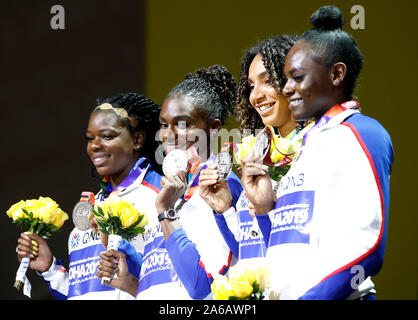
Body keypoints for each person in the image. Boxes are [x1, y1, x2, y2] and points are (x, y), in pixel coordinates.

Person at [240, 6, 394, 299]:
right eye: (285, 79)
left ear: (336, 74)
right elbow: (288, 251)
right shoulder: (309, 145)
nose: (287, 89)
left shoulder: (362, 132)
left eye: (297, 77)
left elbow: (370, 248)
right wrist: (263, 210)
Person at [97, 65, 243, 299]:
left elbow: (201, 288)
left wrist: (165, 212)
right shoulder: (171, 192)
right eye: (164, 124)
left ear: (213, 128)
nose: (168, 135)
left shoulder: (221, 187)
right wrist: (129, 281)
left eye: (183, 124)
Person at [16, 93, 163, 299]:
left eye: (107, 136)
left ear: (137, 140)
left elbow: (169, 286)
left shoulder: (160, 198)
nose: (94, 145)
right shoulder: (94, 206)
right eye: (90, 138)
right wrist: (50, 270)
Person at [199, 35, 314, 263]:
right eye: (251, 86)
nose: (256, 95)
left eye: (268, 80)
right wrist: (225, 209)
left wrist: (266, 210)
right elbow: (249, 252)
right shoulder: (254, 155)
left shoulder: (318, 146)